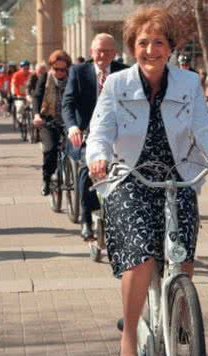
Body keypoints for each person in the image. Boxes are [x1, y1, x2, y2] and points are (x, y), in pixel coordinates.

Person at [86, 5, 208, 356]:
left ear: (170, 47)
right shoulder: (117, 84)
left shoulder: (187, 83)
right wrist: (98, 158)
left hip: (178, 177)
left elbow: (204, 128)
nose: (150, 49)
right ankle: (128, 339)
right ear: (132, 47)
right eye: (143, 42)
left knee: (182, 255)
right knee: (140, 258)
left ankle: (179, 318)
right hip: (130, 178)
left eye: (158, 42)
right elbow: (101, 130)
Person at [62, 33, 128, 240]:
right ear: (91, 52)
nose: (102, 55)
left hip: (118, 134)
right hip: (85, 134)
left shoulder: (125, 73)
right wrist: (72, 127)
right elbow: (68, 103)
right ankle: (87, 219)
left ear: (114, 53)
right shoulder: (79, 72)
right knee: (87, 167)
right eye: (98, 51)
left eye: (107, 51)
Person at [32, 50, 73, 197]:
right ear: (51, 67)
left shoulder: (73, 79)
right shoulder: (44, 78)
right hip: (48, 120)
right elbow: (37, 97)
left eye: (63, 69)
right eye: (56, 69)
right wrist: (37, 115)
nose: (60, 72)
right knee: (50, 149)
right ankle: (47, 178)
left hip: (69, 121)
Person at [11, 60, 32, 126]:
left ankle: (32, 121)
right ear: (21, 68)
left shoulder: (31, 74)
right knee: (20, 106)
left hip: (29, 95)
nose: (25, 69)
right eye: (24, 68)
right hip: (19, 95)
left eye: (27, 68)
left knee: (32, 107)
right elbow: (13, 85)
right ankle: (20, 120)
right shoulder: (16, 75)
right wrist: (13, 93)